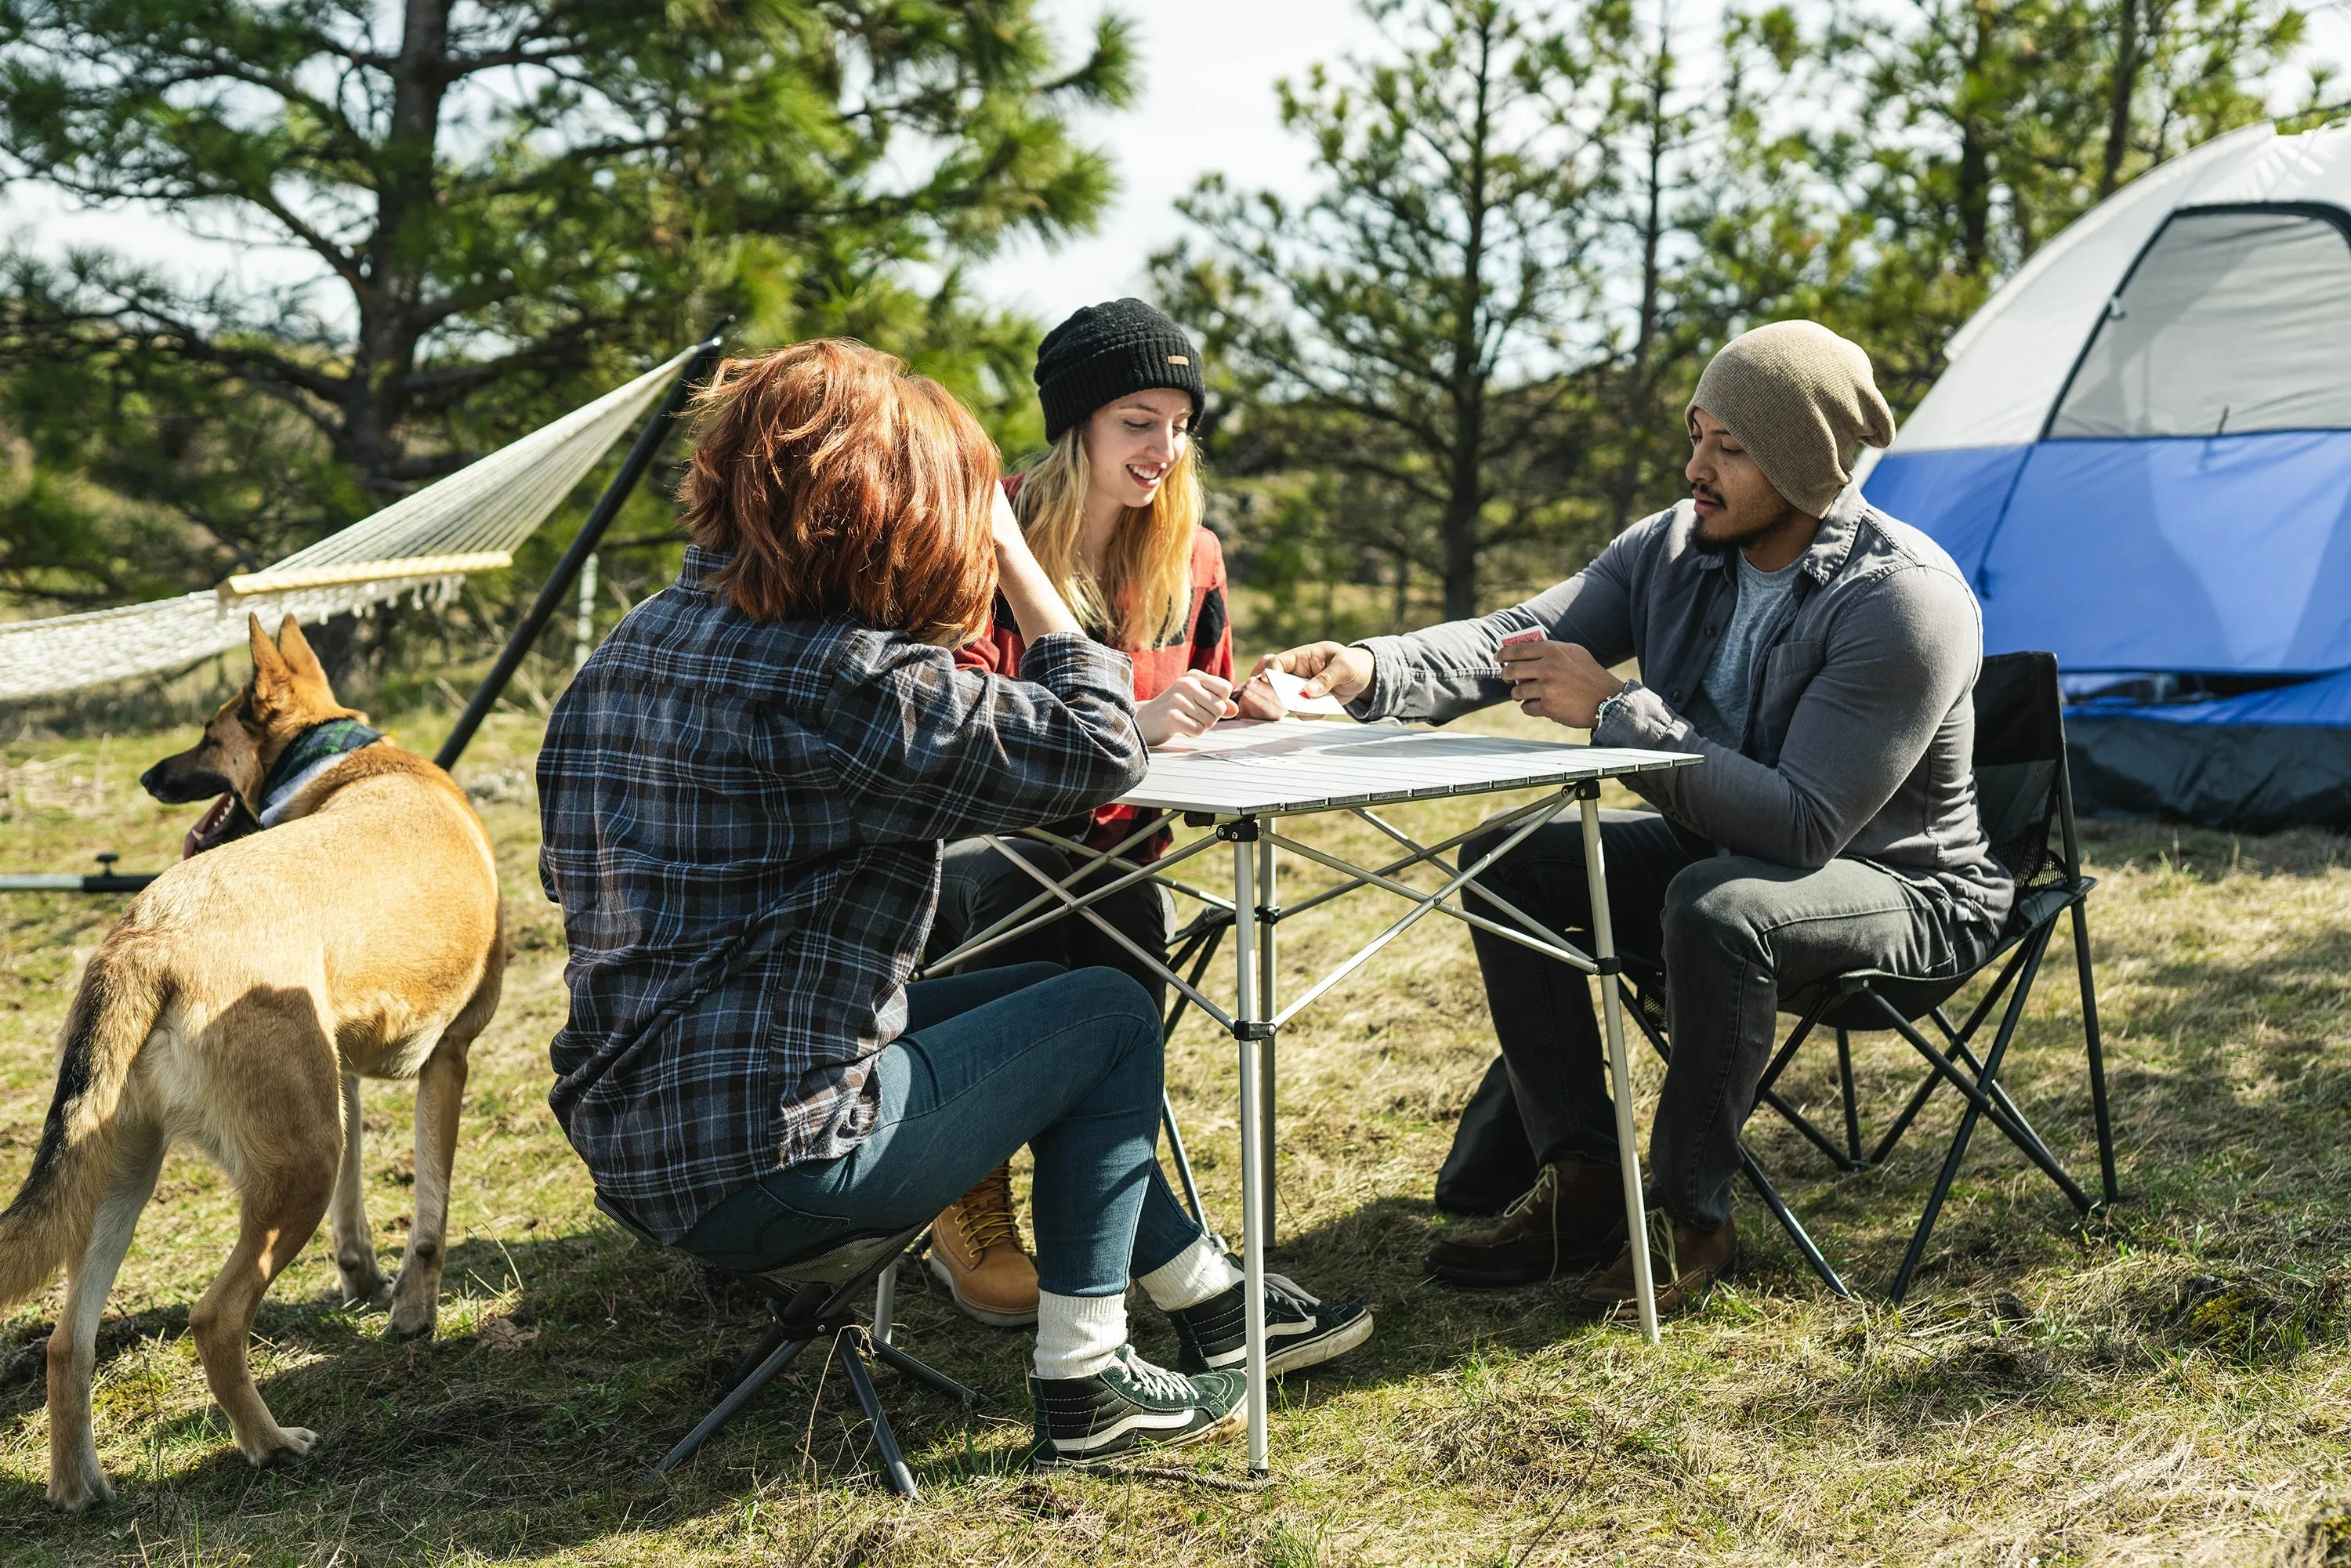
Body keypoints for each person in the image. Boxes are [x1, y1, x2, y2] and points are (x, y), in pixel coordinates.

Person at [535, 339, 1357, 1465]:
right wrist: (1023, 562)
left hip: (631, 1128)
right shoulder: (851, 677)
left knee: (1054, 996)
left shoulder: (632, 646)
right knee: (1114, 1014)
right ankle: (1085, 1381)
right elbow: (1098, 744)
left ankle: (1207, 1297)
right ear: (877, 510)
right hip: (777, 1158)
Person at [1253, 320, 2011, 1319]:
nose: (1697, 468)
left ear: (1807, 463)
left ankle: (1691, 1217)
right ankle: (1584, 1180)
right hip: (1723, 849)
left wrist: (1617, 711)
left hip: (1909, 892)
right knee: (1506, 856)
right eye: (1697, 435)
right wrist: (1369, 669)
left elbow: (1800, 826)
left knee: (1716, 906)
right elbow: (1510, 639)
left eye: (1730, 449)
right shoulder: (1672, 546)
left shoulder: (1903, 601)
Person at [918, 299, 1326, 1345]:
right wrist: (1121, 723)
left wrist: (1248, 701)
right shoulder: (981, 534)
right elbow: (956, 726)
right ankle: (970, 1191)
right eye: (1138, 421)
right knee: (1029, 888)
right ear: (1079, 427)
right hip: (982, 850)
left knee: (1117, 910)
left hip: (1122, 848)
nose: (1165, 449)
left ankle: (1109, 1217)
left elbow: (1206, 694)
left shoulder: (1192, 559)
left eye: (1179, 424)